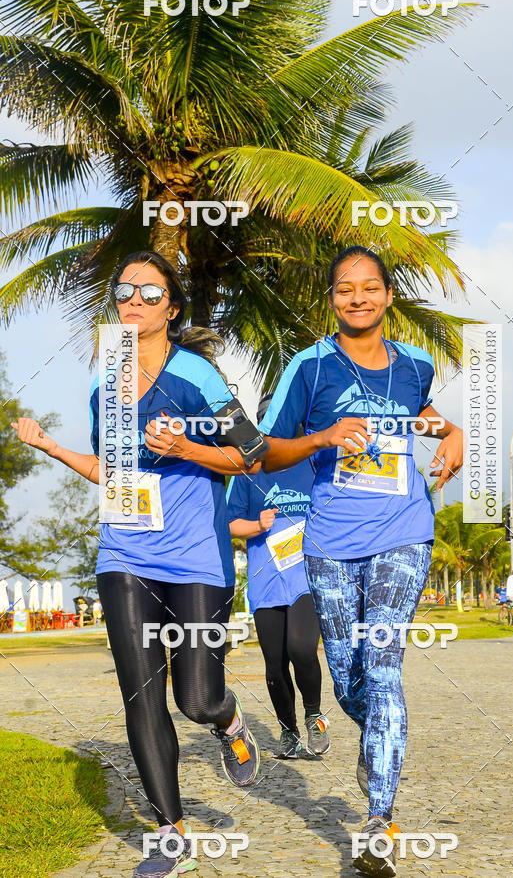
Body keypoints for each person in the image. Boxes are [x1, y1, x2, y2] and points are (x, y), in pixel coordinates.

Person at [12, 250, 262, 878]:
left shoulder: (197, 374)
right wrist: (50, 447)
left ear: (172, 309)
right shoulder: (106, 385)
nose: (134, 300)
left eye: (150, 293)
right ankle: (170, 833)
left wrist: (186, 448)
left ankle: (227, 718)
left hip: (196, 554)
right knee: (142, 694)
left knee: (196, 699)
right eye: (125, 290)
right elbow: (111, 472)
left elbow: (252, 455)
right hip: (125, 551)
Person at [258, 245, 463, 877]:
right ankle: (378, 745)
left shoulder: (415, 364)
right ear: (331, 301)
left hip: (404, 530)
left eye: (369, 287)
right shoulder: (310, 367)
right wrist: (322, 436)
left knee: (383, 666)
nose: (358, 298)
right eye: (345, 289)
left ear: (388, 296)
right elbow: (265, 451)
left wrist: (452, 433)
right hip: (328, 543)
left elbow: (419, 415)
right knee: (349, 678)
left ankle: (379, 820)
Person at [227, 394, 329, 759]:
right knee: (274, 663)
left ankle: (314, 716)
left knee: (301, 648)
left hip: (306, 577)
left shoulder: (313, 462)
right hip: (266, 580)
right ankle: (288, 730)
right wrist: (257, 525)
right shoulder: (248, 470)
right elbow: (229, 523)